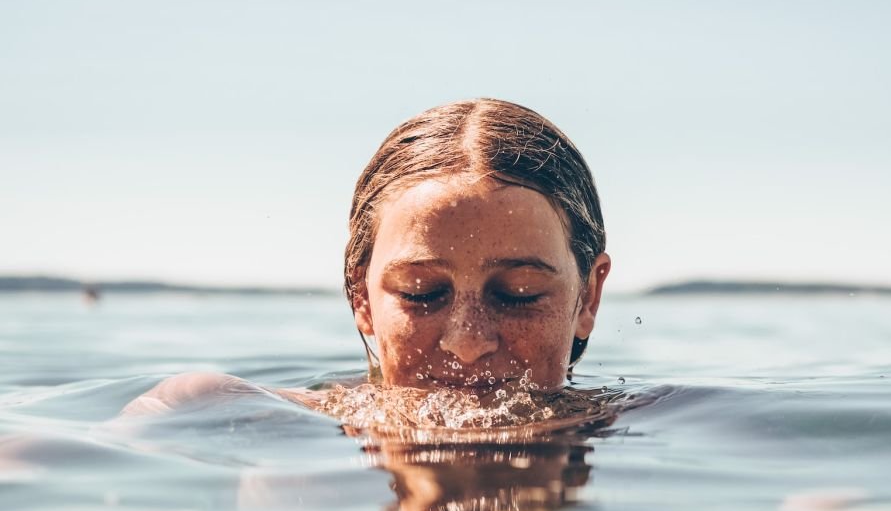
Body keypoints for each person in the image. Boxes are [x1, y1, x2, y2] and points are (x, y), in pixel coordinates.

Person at [123, 98, 611, 420]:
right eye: (421, 293)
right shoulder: (222, 410)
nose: (468, 342)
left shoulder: (657, 425)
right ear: (362, 298)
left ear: (587, 297)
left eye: (517, 293)